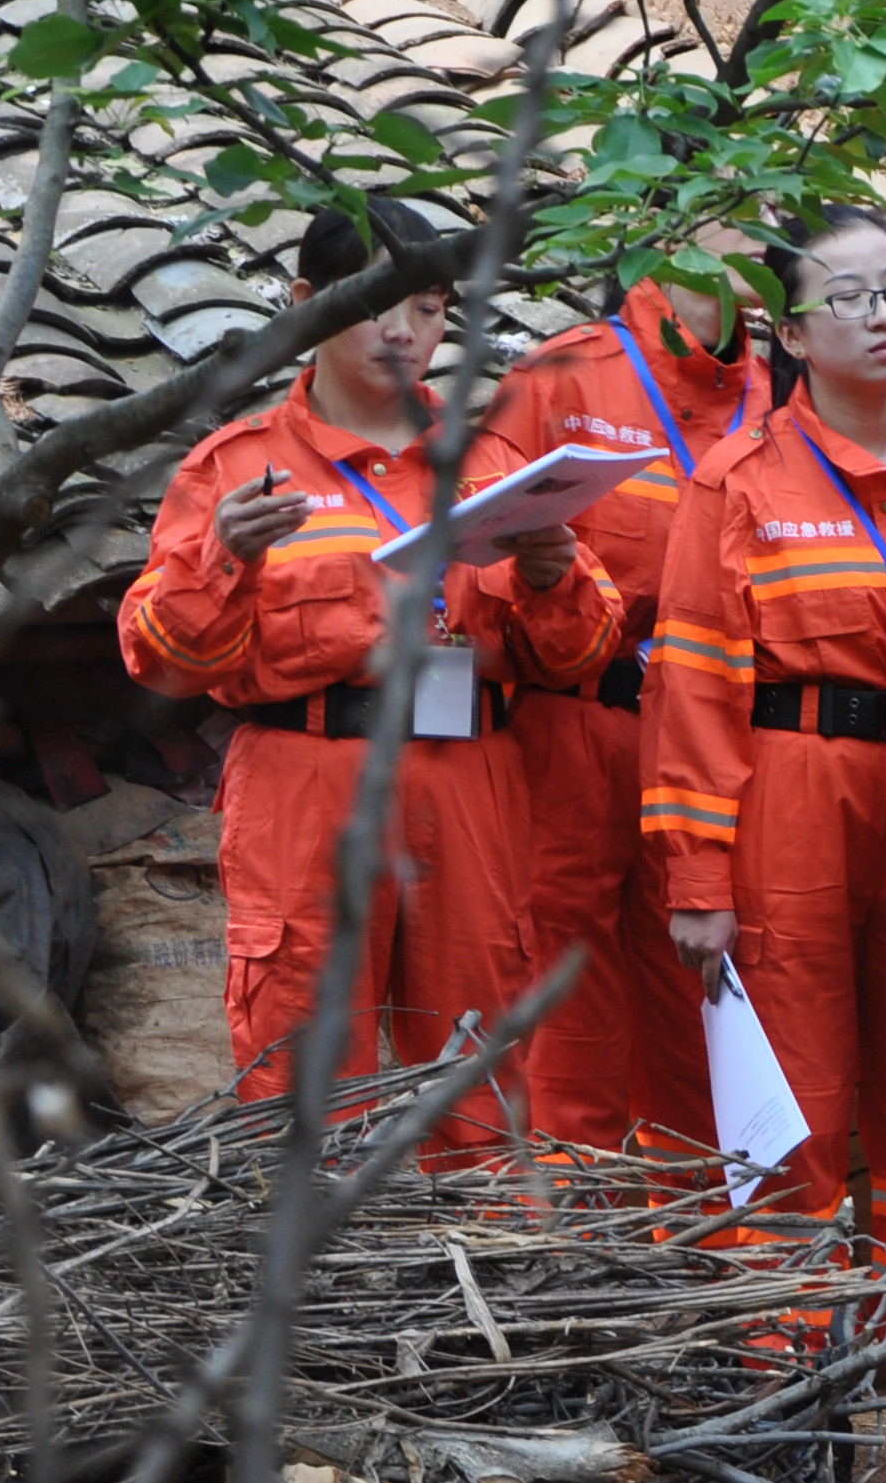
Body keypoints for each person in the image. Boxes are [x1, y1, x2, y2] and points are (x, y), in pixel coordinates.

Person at [641, 205, 886, 1483]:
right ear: (791, 332)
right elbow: (690, 694)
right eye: (851, 297)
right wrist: (699, 877)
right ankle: (794, 1421)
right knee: (792, 1130)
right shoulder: (737, 484)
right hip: (793, 806)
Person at [116, 200, 609, 1149]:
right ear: (306, 304)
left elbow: (580, 655)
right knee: (304, 1066)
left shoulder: (492, 463)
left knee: (477, 1075)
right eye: (377, 302)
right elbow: (163, 664)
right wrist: (225, 558)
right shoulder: (240, 469)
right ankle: (309, 1291)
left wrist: (551, 577)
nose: (403, 331)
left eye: (427, 307)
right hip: (306, 779)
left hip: (470, 781)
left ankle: (486, 1278)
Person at [485, 250, 764, 1160]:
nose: (771, 233)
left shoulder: (789, 388)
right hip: (579, 736)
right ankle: (580, 1260)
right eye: (745, 207)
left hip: (731, 750)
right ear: (677, 226)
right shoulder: (560, 379)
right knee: (568, 1017)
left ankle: (713, 1260)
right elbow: (478, 562)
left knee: (713, 1014)